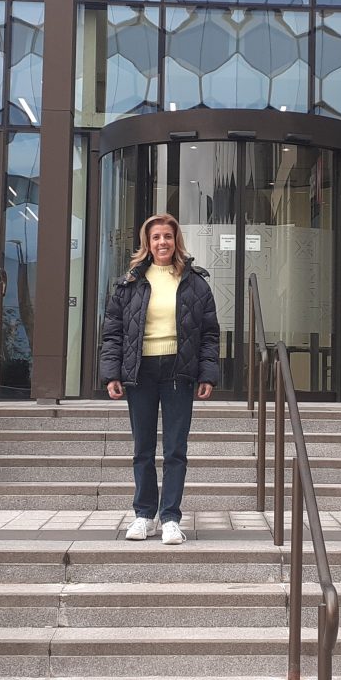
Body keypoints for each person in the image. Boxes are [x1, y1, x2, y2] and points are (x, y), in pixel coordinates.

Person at [100, 213, 219, 545]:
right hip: (140, 372)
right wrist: (111, 373)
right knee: (143, 449)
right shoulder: (129, 283)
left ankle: (170, 518)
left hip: (179, 372)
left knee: (175, 450)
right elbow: (113, 333)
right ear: (147, 243)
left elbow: (209, 334)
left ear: (175, 240)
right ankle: (143, 515)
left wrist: (208, 374)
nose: (162, 242)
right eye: (156, 237)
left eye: (167, 236)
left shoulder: (196, 283)